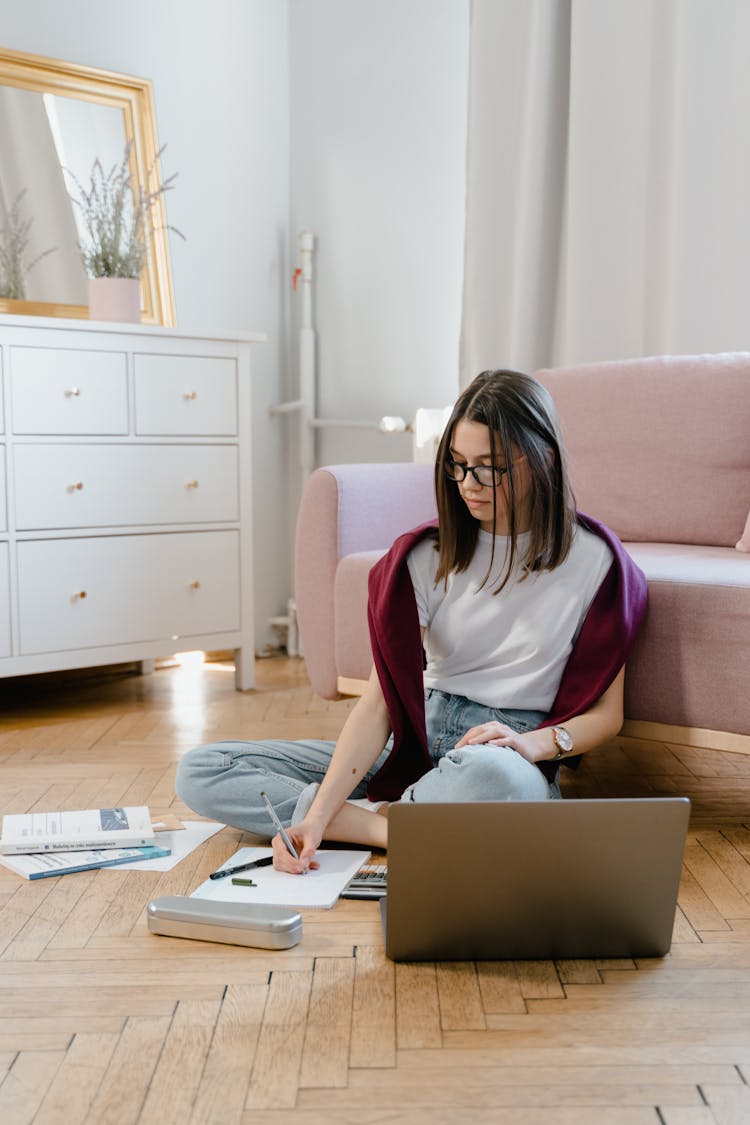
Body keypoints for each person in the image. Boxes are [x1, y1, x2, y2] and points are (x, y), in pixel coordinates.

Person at [176, 369, 648, 874]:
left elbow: (607, 714)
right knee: (202, 770)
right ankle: (385, 826)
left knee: (500, 783)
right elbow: (380, 705)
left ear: (542, 459)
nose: (469, 485)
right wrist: (317, 817)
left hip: (502, 753)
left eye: (489, 468)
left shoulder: (599, 563)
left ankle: (371, 822)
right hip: (417, 739)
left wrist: (531, 745)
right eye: (459, 466)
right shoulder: (426, 557)